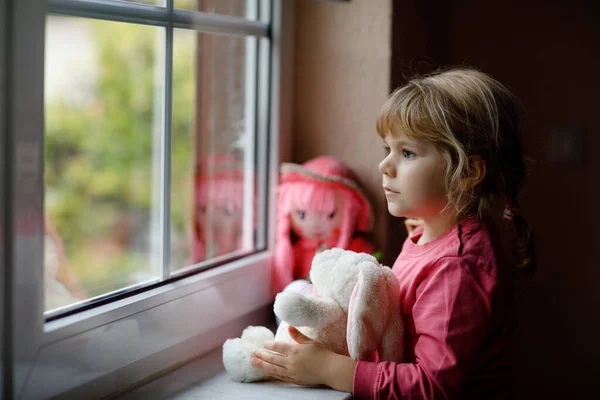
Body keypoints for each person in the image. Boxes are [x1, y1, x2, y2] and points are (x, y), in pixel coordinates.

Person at [250, 67, 535, 399]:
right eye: (388, 149)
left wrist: (328, 368)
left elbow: (433, 386)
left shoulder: (456, 267)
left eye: (407, 153)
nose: (384, 165)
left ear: (467, 171)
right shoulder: (430, 232)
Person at [272, 156, 374, 295]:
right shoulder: (297, 251)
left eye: (330, 215)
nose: (315, 225)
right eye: (302, 215)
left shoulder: (354, 250)